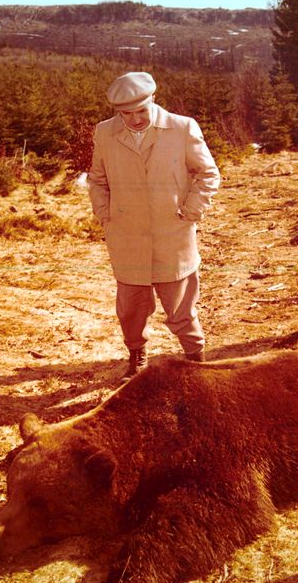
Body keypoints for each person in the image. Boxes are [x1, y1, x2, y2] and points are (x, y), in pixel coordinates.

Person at [88, 71, 221, 381]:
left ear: (153, 100)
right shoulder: (105, 133)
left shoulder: (182, 127)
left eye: (141, 111)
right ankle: (137, 355)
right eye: (126, 114)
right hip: (127, 237)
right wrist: (107, 215)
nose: (135, 120)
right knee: (131, 308)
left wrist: (191, 211)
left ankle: (196, 359)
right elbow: (97, 179)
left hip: (173, 235)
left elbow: (208, 174)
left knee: (181, 308)